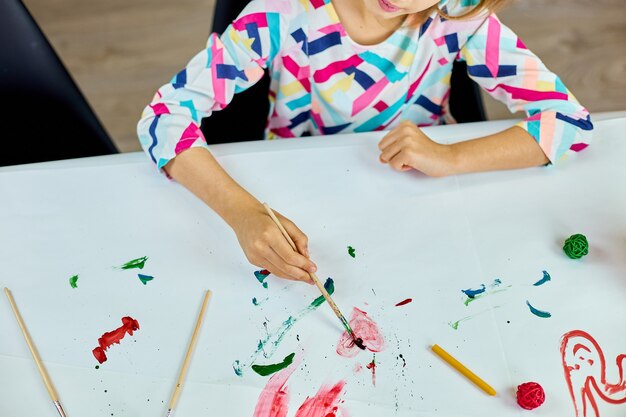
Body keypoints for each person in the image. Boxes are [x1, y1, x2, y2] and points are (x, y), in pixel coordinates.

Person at [137, 0, 593, 284]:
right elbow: (163, 118)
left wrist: (449, 156)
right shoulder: (279, 14)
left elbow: (568, 121)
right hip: (298, 184)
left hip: (416, 195)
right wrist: (243, 213)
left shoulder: (462, 16)